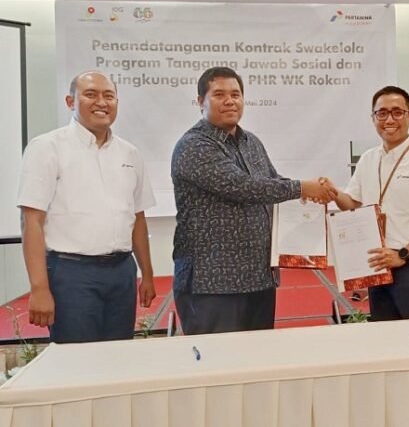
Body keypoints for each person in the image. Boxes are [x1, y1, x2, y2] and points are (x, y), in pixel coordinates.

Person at [171, 67, 334, 335]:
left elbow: (273, 181)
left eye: (236, 94)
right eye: (219, 95)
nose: (230, 101)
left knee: (259, 357)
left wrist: (313, 192)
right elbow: (244, 187)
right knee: (218, 360)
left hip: (258, 279)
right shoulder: (193, 146)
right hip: (212, 284)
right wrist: (303, 187)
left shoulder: (251, 141)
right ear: (201, 101)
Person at [17, 71, 156, 343]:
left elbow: (137, 217)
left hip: (121, 272)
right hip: (71, 274)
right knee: (76, 358)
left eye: (109, 96)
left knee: (118, 354)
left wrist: (147, 274)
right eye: (91, 95)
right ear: (71, 101)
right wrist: (39, 288)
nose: (101, 102)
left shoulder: (130, 153)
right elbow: (31, 220)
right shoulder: (47, 147)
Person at [326, 86, 409, 321]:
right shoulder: (368, 159)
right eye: (382, 113)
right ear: (373, 118)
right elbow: (353, 203)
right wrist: (333, 193)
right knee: (384, 333)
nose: (389, 120)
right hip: (377, 262)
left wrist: (403, 255)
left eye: (397, 112)